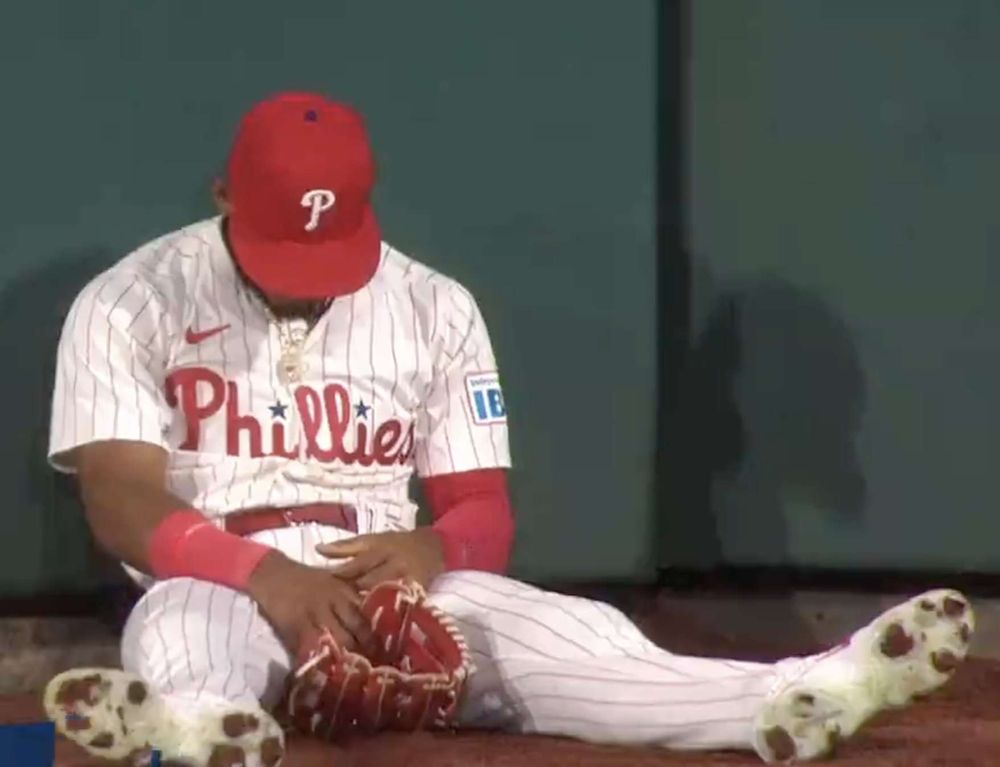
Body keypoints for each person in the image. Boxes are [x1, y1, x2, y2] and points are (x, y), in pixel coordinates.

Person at [43, 91, 973, 767]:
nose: (307, 274)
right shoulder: (132, 300)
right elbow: (120, 500)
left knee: (578, 636)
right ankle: (204, 728)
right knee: (181, 623)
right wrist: (267, 575)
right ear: (221, 195)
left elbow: (482, 509)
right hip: (225, 571)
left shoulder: (435, 306)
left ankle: (798, 692)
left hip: (387, 578)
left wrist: (430, 549)